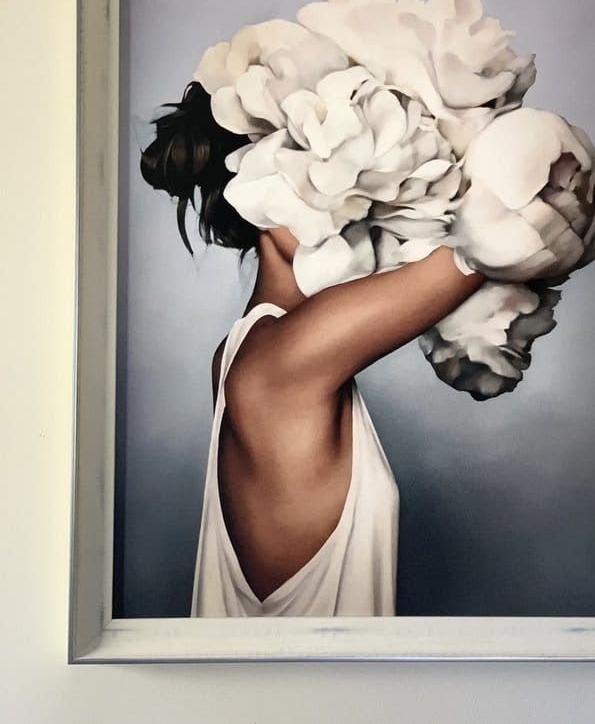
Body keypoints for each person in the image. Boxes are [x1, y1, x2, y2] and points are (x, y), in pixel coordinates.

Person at [141, 82, 484, 618]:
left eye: (340, 174)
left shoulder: (242, 353)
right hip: (321, 701)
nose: (336, 200)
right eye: (304, 181)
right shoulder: (287, 361)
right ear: (254, 204)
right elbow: (497, 239)